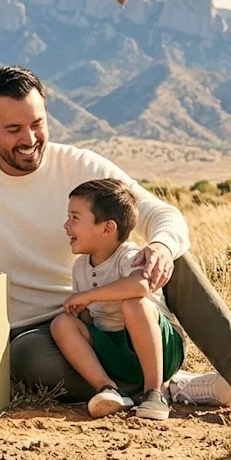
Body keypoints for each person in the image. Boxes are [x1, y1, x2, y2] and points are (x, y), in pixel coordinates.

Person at [0, 65, 231, 422]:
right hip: (36, 336)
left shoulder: (80, 166)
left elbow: (162, 215)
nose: (29, 140)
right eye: (13, 129)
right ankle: (162, 385)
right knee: (28, 358)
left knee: (174, 255)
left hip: (110, 316)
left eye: (37, 124)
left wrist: (160, 248)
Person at [53, 178, 185, 421]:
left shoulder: (129, 255)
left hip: (161, 350)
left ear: (107, 228)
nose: (66, 225)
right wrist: (80, 312)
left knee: (134, 302)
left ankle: (154, 392)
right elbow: (92, 318)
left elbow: (140, 284)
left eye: (75, 218)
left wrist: (88, 296)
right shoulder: (81, 266)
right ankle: (108, 389)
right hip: (116, 350)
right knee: (61, 323)